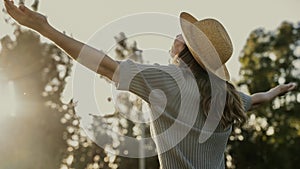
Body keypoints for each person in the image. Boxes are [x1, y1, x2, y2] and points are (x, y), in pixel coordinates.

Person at [3, 1, 297, 168]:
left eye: (184, 36)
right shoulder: (227, 94)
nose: (177, 36)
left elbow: (102, 63)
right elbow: (256, 100)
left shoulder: (166, 80)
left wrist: (44, 28)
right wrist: (275, 91)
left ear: (188, 50)